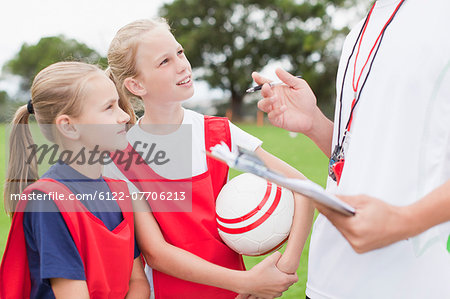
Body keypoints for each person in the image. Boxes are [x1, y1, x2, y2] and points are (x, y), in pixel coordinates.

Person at [103, 18, 314, 298]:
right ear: (136, 85)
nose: (182, 64)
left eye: (179, 52)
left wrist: (286, 265)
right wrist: (247, 282)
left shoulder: (218, 132)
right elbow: (157, 253)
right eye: (164, 61)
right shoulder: (121, 157)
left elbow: (302, 187)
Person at [253, 0, 450, 297]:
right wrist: (314, 123)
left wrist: (405, 221)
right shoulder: (358, 31)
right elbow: (359, 156)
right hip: (327, 280)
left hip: (412, 285)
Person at [0, 62, 150, 299]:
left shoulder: (119, 193)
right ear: (69, 127)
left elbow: (138, 282)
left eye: (118, 104)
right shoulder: (47, 201)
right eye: (109, 108)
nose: (123, 116)